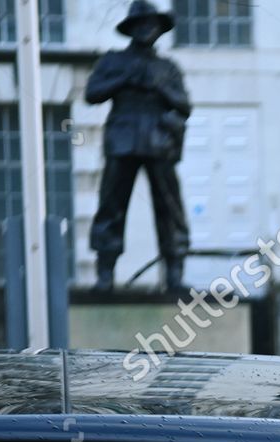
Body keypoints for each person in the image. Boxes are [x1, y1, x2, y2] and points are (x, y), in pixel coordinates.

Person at [86, 1, 191, 292]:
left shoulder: (168, 68)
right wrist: (126, 79)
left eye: (152, 24)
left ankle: (174, 273)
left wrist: (159, 87)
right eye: (141, 23)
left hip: (159, 142)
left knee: (170, 208)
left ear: (159, 29)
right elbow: (92, 93)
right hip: (122, 141)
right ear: (131, 28)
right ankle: (105, 273)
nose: (147, 28)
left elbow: (185, 105)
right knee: (111, 206)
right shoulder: (113, 61)